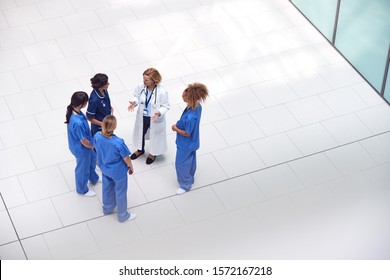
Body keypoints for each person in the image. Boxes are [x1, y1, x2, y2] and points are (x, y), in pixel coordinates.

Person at [92, 115, 136, 223]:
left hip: (104, 169)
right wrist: (131, 167)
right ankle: (122, 215)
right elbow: (126, 158)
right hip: (118, 172)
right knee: (120, 192)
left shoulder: (97, 136)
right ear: (114, 127)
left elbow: (95, 148)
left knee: (107, 188)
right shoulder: (118, 142)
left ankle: (107, 208)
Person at [171, 83, 209, 195]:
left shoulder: (190, 117)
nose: (182, 97)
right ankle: (190, 177)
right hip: (193, 142)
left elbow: (187, 133)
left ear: (190, 98)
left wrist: (175, 128)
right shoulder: (197, 107)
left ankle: (185, 184)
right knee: (191, 160)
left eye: (184, 96)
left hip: (185, 143)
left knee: (180, 164)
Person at [127, 68, 169, 164]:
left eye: (146, 80)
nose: (144, 81)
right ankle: (140, 150)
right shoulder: (141, 86)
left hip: (154, 118)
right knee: (140, 133)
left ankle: (153, 154)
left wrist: (159, 113)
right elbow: (136, 96)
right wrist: (134, 102)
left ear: (154, 80)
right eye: (143, 79)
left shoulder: (162, 92)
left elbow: (166, 106)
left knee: (155, 136)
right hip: (142, 116)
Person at [65, 91, 99, 197]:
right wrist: (93, 146)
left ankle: (93, 178)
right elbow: (83, 141)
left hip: (87, 146)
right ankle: (82, 189)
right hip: (82, 149)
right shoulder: (77, 123)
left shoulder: (73, 109)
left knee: (93, 160)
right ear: (81, 104)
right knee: (82, 169)